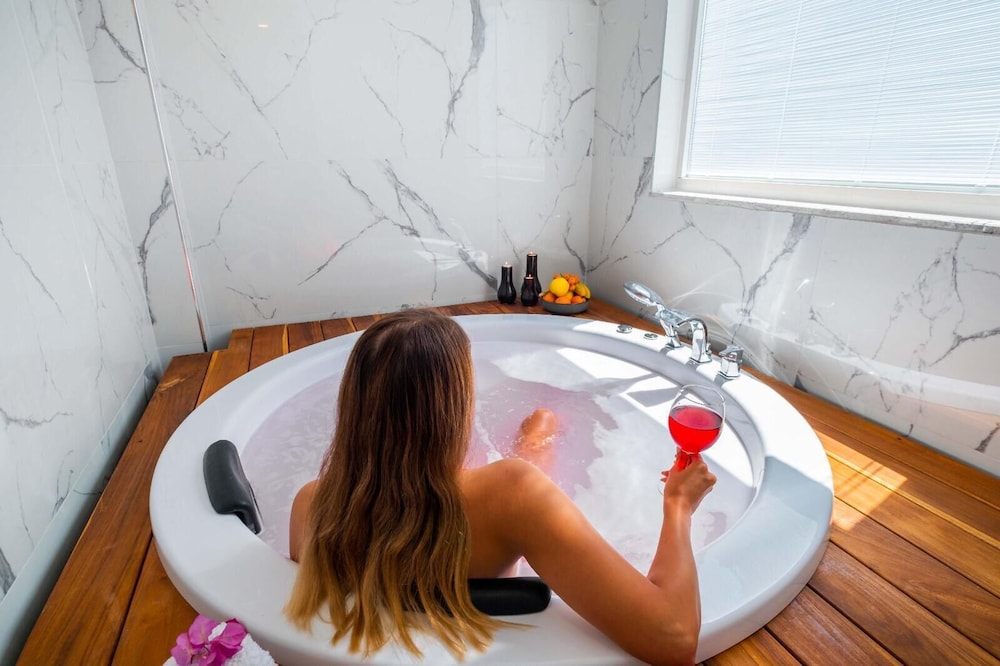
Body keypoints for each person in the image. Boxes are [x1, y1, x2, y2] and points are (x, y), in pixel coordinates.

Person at [285, 310, 716, 666]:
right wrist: (679, 505)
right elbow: (674, 640)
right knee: (524, 470)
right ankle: (536, 438)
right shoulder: (513, 491)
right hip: (502, 571)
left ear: (355, 405)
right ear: (452, 408)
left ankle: (535, 437)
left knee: (518, 464)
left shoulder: (310, 506)